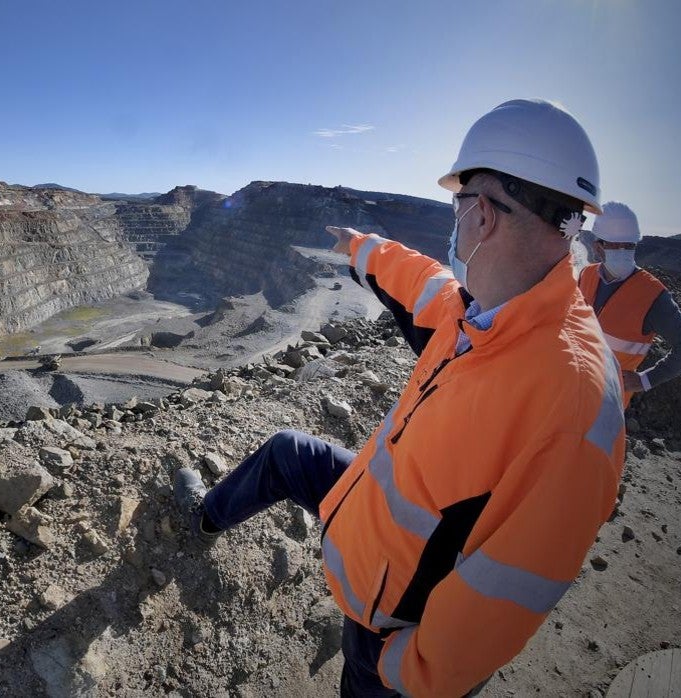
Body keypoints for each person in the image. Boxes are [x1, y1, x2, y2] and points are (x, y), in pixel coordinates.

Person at [173, 99, 625, 697]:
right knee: (288, 454)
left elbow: (506, 598)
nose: (454, 222)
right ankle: (204, 518)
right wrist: (361, 246)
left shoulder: (571, 402)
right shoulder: (485, 311)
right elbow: (422, 282)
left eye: (458, 205)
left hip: (390, 637)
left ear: (483, 214)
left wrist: (400, 669)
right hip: (365, 530)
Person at [577, 202, 681, 406]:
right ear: (597, 247)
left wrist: (644, 380)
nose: (623, 251)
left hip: (608, 403)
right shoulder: (586, 275)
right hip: (574, 384)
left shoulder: (652, 295)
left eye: (629, 245)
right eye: (615, 245)